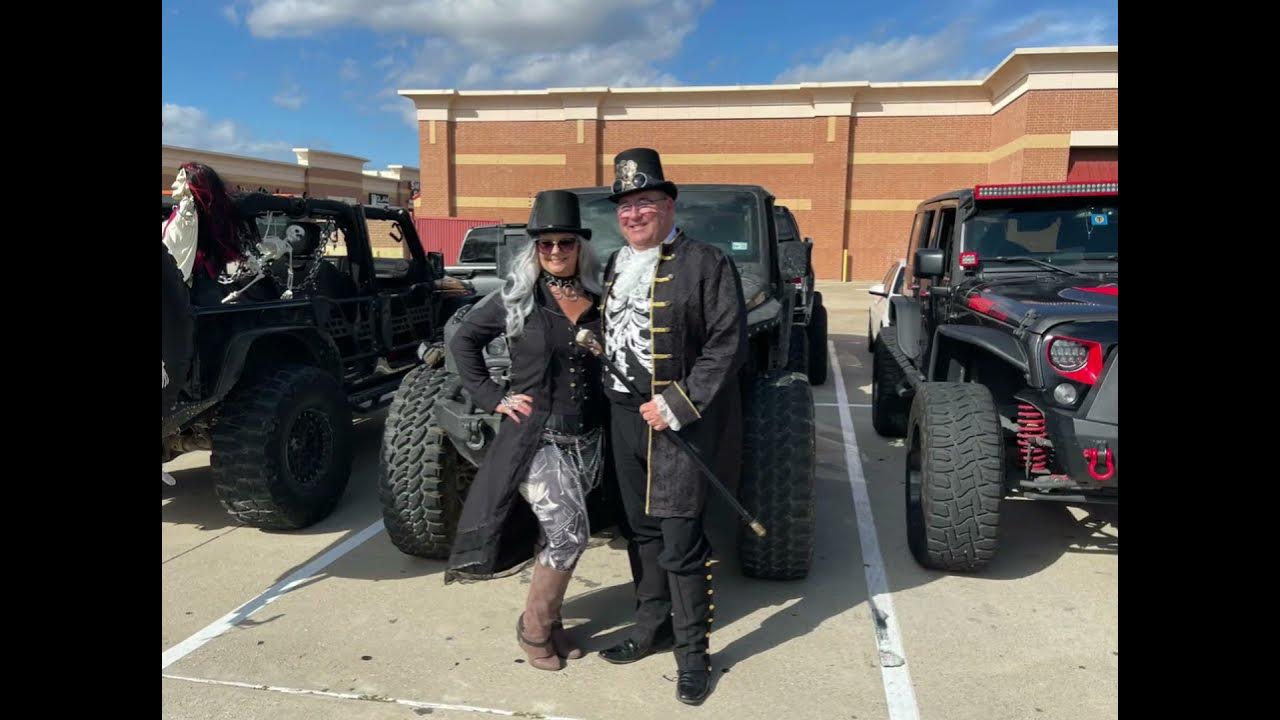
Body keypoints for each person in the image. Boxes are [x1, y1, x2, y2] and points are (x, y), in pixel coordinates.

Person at [595, 148, 748, 705]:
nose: (635, 214)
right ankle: (650, 627)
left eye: (646, 202)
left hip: (678, 425)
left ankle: (693, 657)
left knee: (682, 542)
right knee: (642, 532)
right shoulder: (613, 264)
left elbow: (727, 345)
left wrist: (677, 404)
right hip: (623, 419)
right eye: (626, 205)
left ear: (669, 204)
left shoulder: (707, 262)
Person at [445, 189, 606, 671]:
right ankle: (533, 628)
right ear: (533, 250)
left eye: (565, 243)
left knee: (556, 532)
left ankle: (553, 622)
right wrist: (495, 397)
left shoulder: (599, 298)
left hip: (589, 438)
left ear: (581, 245)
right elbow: (465, 342)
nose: (555, 251)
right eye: (545, 244)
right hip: (536, 437)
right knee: (569, 532)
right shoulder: (517, 298)